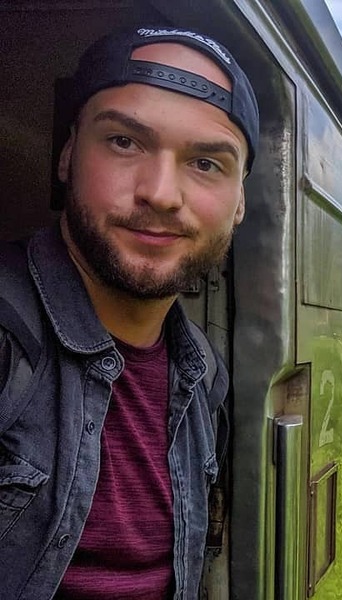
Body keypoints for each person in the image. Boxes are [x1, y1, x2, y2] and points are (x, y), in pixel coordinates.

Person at [0, 26, 259, 599]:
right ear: (67, 153)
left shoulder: (205, 377)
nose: (162, 193)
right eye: (124, 141)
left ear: (240, 202)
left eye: (207, 163)